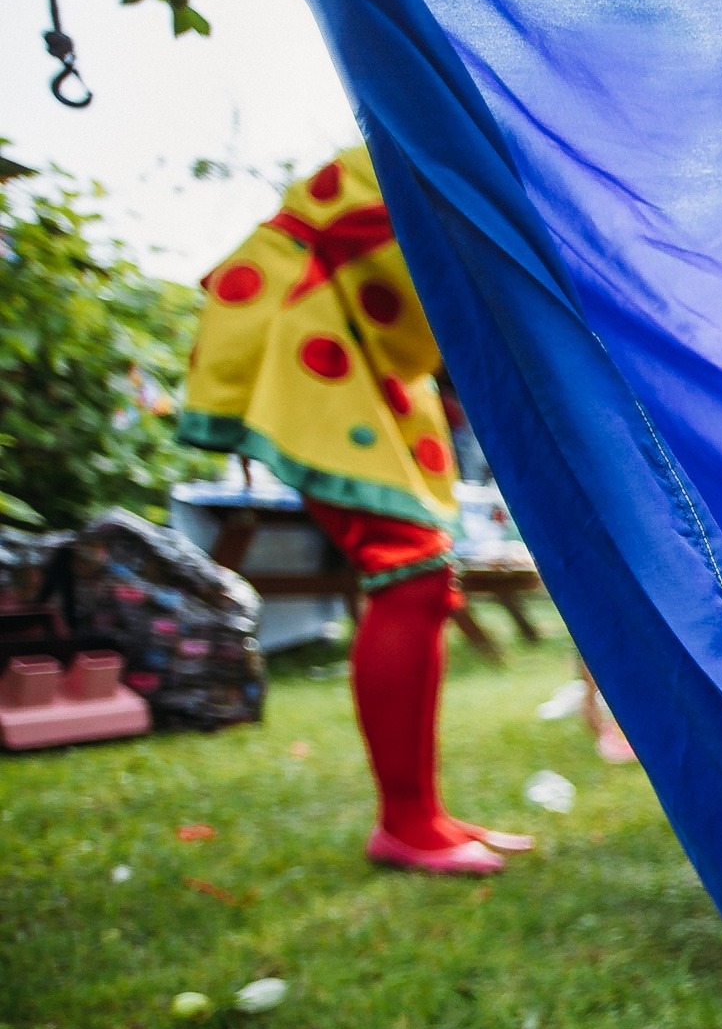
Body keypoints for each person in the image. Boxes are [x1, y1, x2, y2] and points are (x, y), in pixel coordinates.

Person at [180, 145, 531, 875]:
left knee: (424, 581)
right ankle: (406, 821)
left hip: (369, 341)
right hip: (314, 312)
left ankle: (421, 811)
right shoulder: (471, 131)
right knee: (410, 575)